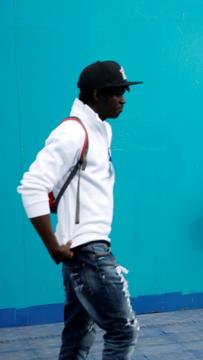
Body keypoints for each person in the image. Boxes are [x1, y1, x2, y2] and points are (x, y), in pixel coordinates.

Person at [17, 60, 142, 359]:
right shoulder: (72, 133)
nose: (123, 98)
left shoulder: (101, 130)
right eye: (117, 92)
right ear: (97, 94)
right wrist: (52, 245)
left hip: (85, 249)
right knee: (123, 330)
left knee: (77, 338)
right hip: (87, 251)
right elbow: (32, 185)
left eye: (124, 90)